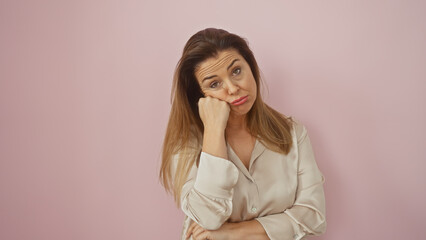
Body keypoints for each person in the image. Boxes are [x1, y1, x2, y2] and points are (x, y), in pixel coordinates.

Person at [159, 28, 326, 240]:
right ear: (200, 96)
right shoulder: (186, 145)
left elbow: (314, 215)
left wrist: (233, 233)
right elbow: (207, 218)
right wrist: (213, 130)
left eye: (236, 71)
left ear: (251, 67)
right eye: (214, 84)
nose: (232, 88)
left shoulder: (293, 133)